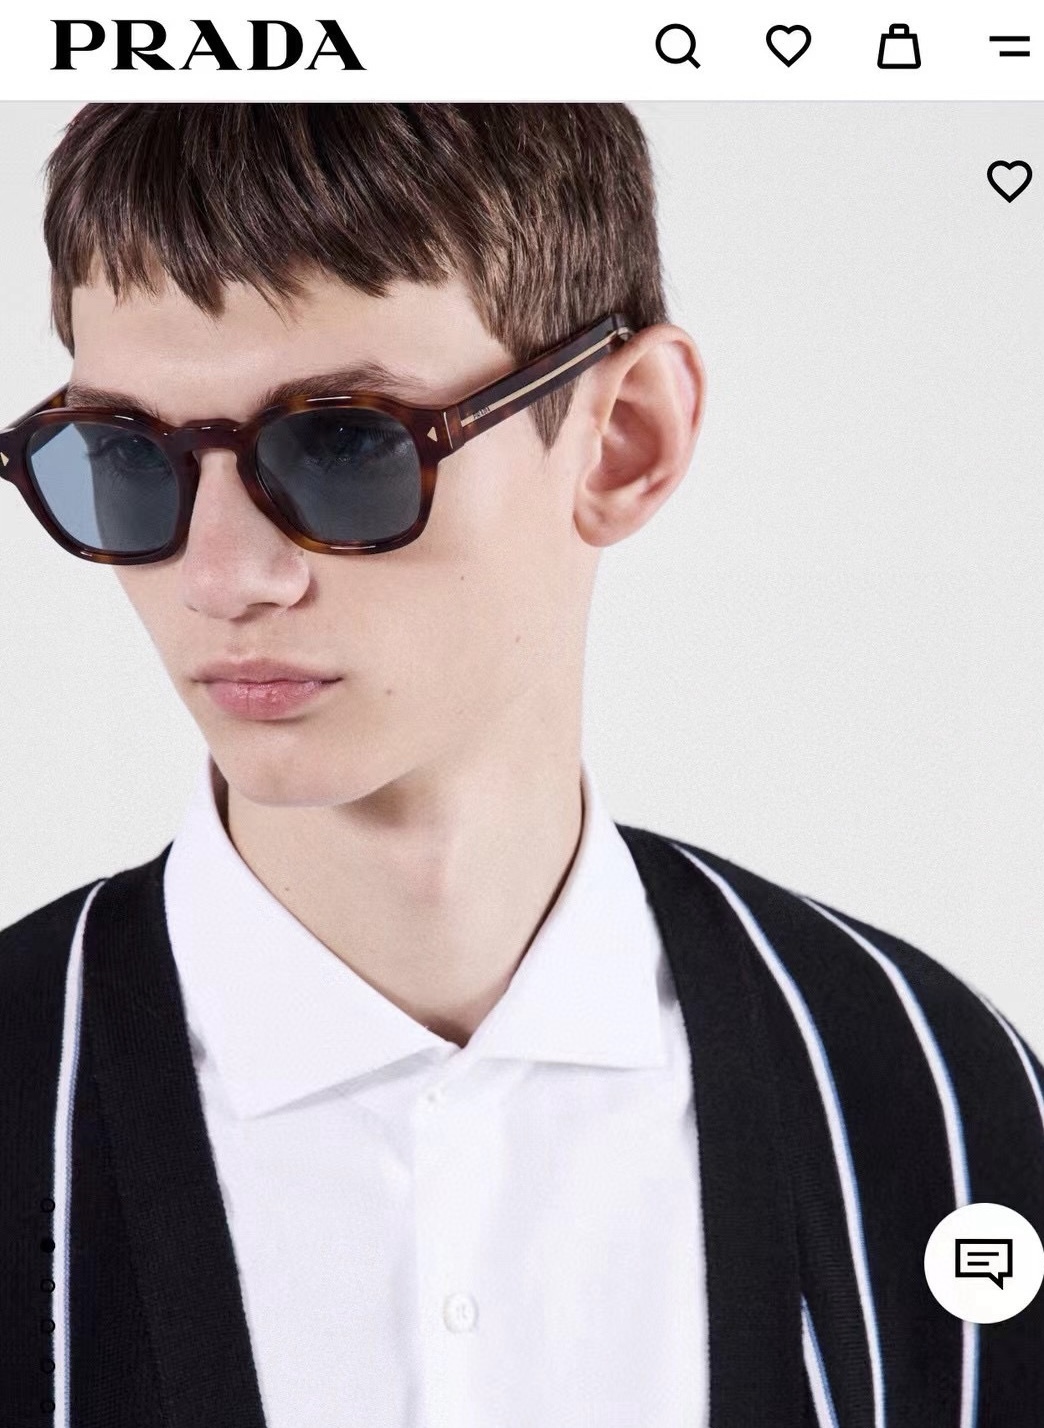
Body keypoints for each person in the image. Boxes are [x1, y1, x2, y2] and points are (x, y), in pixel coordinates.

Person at [0, 102, 1041, 1428]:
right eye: (125, 458)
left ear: (626, 439)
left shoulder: (927, 1094)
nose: (222, 577)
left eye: (342, 446)